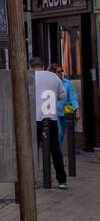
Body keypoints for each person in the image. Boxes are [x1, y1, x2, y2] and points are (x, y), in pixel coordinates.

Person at [32, 58, 68, 188]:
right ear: (43, 66)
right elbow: (63, 96)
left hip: (34, 117)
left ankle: (31, 178)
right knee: (55, 149)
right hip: (51, 118)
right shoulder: (54, 77)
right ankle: (62, 180)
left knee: (32, 149)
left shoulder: (30, 77)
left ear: (30, 66)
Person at [50, 62, 80, 151]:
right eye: (59, 71)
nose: (61, 73)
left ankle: (56, 151)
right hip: (54, 112)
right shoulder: (50, 83)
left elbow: (72, 96)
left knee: (62, 133)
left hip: (65, 111)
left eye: (62, 71)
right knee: (58, 132)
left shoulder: (67, 83)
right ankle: (56, 152)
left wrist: (77, 109)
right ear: (53, 73)